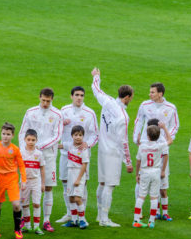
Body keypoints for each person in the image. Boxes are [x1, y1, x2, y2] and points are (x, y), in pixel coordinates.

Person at [91, 67, 134, 227]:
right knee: (109, 185)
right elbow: (123, 141)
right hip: (113, 153)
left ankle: (99, 215)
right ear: (127, 97)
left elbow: (96, 90)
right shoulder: (123, 116)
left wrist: (96, 76)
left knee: (101, 183)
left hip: (102, 150)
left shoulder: (107, 101)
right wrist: (128, 162)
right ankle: (104, 219)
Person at [133, 82, 179, 221]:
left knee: (163, 182)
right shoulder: (144, 105)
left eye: (152, 92)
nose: (150, 94)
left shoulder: (171, 107)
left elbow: (175, 126)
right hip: (147, 143)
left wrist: (164, 139)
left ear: (160, 94)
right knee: (141, 180)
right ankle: (140, 212)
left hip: (161, 146)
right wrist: (136, 137)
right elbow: (138, 121)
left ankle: (163, 212)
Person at [19, 88, 63, 233]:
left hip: (48, 155)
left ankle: (46, 220)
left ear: (52, 100)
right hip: (29, 156)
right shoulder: (31, 112)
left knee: (48, 187)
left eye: (48, 101)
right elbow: (22, 132)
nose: (45, 103)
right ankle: (25, 221)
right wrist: (23, 151)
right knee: (24, 187)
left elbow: (57, 135)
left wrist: (40, 146)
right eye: (43, 100)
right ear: (39, 97)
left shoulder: (57, 114)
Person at [56, 86, 98, 224]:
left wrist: (88, 144)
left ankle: (81, 216)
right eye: (77, 95)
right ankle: (70, 214)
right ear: (71, 96)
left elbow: (95, 134)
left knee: (82, 184)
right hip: (65, 153)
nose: (79, 97)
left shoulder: (89, 113)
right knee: (65, 183)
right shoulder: (64, 110)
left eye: (82, 95)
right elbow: (56, 128)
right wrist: (61, 122)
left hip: (81, 156)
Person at [0, 123, 27, 239]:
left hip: (11, 179)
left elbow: (21, 165)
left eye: (8, 134)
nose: (5, 136)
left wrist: (23, 180)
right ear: (1, 134)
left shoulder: (15, 149)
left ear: (13, 135)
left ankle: (17, 230)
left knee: (16, 205)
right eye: (3, 134)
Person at [132, 125, 170, 228]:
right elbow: (170, 141)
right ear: (158, 136)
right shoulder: (160, 146)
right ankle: (151, 221)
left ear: (148, 136)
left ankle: (136, 220)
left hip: (144, 172)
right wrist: (165, 128)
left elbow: (138, 162)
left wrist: (137, 174)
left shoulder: (142, 146)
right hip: (156, 172)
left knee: (141, 196)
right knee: (154, 197)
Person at [61, 126, 90, 229]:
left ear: (83, 136)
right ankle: (74, 220)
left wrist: (78, 179)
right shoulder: (69, 145)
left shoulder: (84, 149)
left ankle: (82, 220)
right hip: (70, 174)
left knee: (77, 198)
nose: (78, 137)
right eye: (76, 135)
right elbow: (59, 146)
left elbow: (84, 165)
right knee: (71, 198)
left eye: (80, 135)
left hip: (79, 175)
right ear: (72, 136)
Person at [20, 129, 46, 234]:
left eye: (33, 140)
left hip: (36, 181)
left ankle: (36, 227)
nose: (31, 142)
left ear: (36, 141)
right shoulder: (21, 153)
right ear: (25, 139)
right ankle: (27, 226)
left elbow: (42, 169)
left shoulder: (39, 154)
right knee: (25, 204)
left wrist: (43, 183)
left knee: (36, 204)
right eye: (29, 139)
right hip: (24, 182)